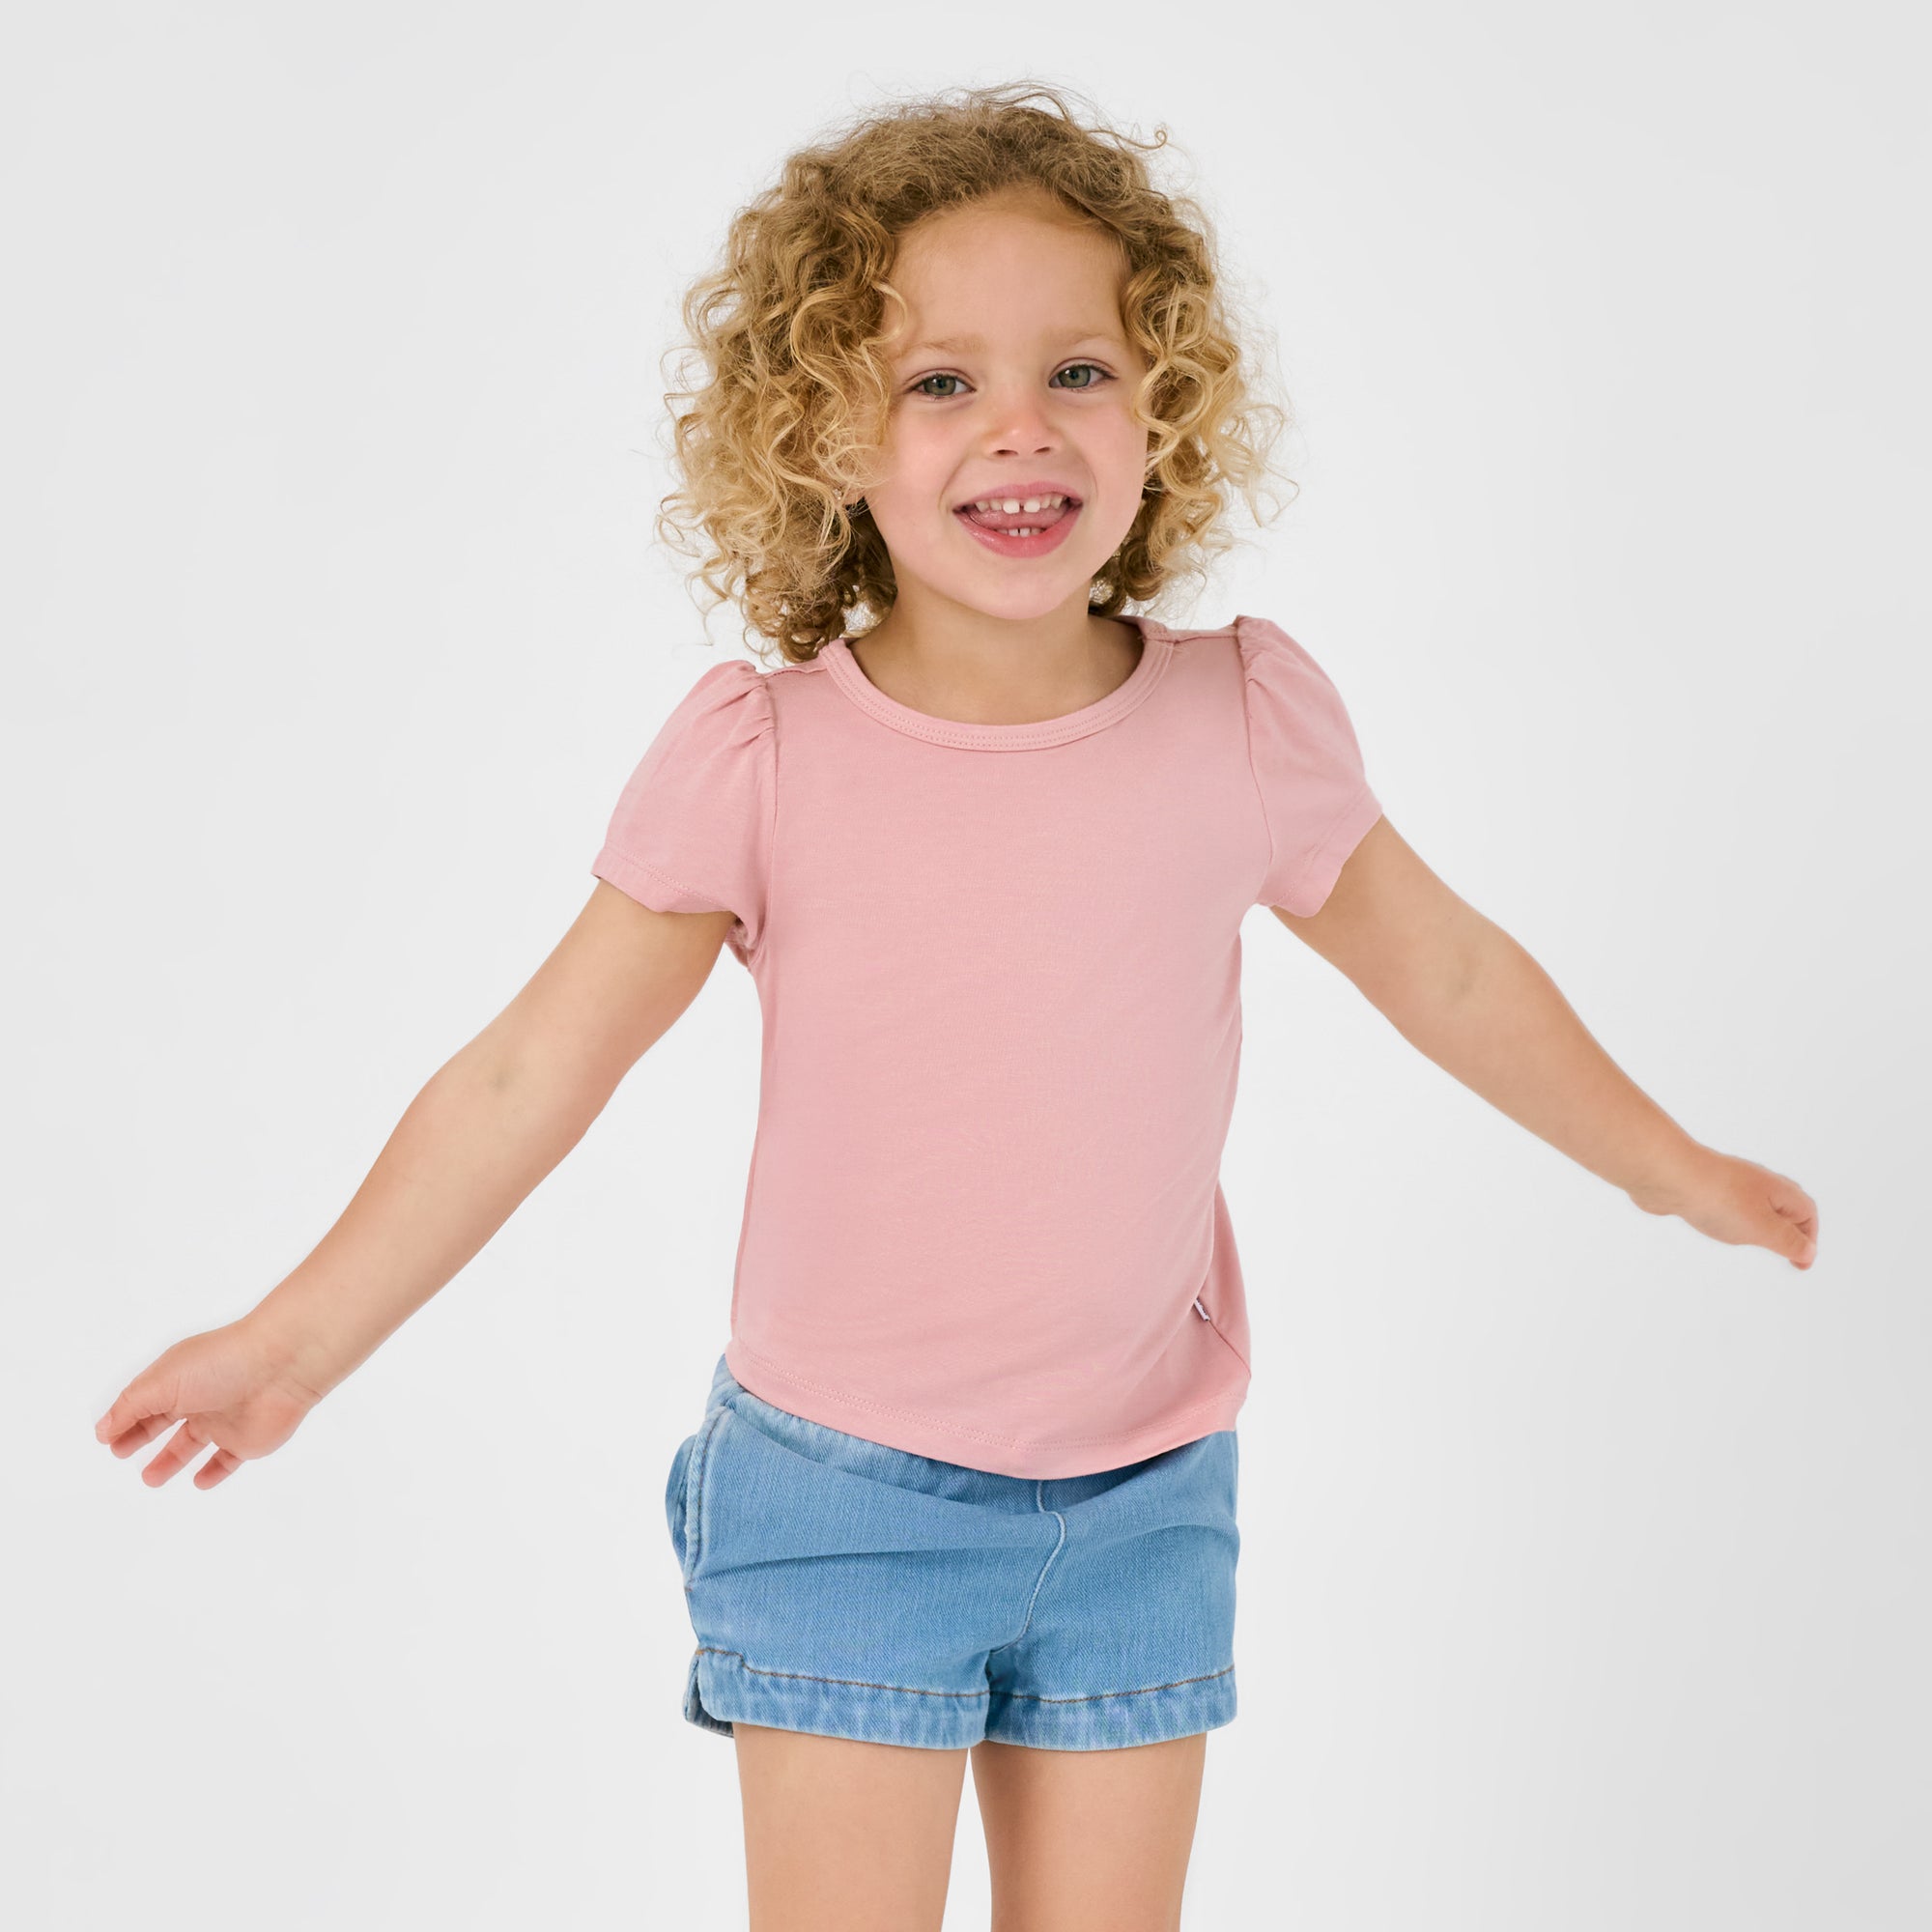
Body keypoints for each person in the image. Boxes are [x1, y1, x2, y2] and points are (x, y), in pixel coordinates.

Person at [91, 80, 1819, 1932]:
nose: (1021, 428)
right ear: (825, 432)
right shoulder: (764, 756)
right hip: (844, 1501)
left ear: (1165, 402)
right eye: (940, 383)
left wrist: (1667, 1165)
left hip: (1150, 1497)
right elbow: (525, 1077)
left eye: (1079, 371)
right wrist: (293, 1344)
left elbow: (1456, 971)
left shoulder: (1243, 718)